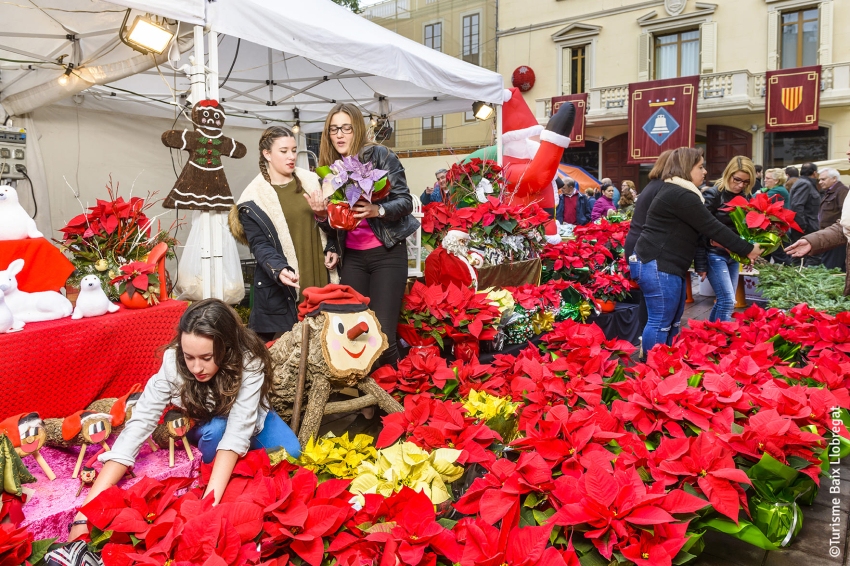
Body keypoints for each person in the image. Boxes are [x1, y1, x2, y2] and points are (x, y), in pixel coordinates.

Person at [69, 299, 301, 540]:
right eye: (189, 357)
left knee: (292, 454)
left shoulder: (249, 361)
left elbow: (239, 429)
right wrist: (85, 514)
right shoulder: (172, 364)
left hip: (249, 415)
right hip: (209, 421)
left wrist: (205, 509)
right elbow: (139, 425)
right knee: (216, 436)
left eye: (206, 357)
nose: (196, 368)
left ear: (227, 348)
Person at [313, 103, 419, 366]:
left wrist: (377, 209)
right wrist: (320, 216)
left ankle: (393, 402)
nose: (339, 134)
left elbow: (405, 202)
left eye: (346, 128)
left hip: (386, 255)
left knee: (383, 337)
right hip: (354, 262)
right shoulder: (330, 170)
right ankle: (368, 404)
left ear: (357, 129)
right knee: (358, 335)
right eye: (334, 129)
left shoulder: (380, 156)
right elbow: (335, 226)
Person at [631, 147, 760, 358]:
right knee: (661, 322)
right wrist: (748, 249)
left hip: (665, 264)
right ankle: (651, 367)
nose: (705, 172)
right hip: (658, 263)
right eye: (700, 166)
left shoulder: (680, 191)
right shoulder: (680, 194)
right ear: (686, 167)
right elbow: (712, 227)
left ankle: (663, 365)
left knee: (670, 321)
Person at [229, 126, 336, 342]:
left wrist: (330, 239)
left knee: (325, 348)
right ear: (267, 154)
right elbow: (260, 245)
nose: (291, 157)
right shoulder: (252, 199)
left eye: (294, 150)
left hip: (321, 278)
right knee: (288, 355)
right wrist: (278, 269)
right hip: (289, 286)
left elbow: (334, 225)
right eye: (284, 151)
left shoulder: (313, 182)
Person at [694, 156, 756, 322]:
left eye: (746, 182)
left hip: (734, 256)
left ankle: (712, 335)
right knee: (728, 300)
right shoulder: (713, 194)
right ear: (728, 173)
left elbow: (747, 230)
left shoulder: (746, 197)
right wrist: (700, 263)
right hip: (715, 254)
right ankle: (723, 339)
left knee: (726, 300)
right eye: (737, 179)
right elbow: (700, 230)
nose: (740, 185)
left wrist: (749, 251)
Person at [624, 149, 674, 337]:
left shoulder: (653, 185)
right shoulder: (662, 187)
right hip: (644, 247)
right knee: (652, 300)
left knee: (648, 298)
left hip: (637, 244)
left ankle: (646, 338)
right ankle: (648, 343)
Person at [816, 168, 848, 270]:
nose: (820, 182)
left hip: (836, 236)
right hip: (828, 235)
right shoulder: (830, 191)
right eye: (819, 180)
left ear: (834, 179)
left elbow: (845, 214)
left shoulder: (842, 191)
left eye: (823, 179)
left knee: (831, 267)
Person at [788, 163, 822, 251]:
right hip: (806, 228)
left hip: (807, 226)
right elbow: (797, 205)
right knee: (808, 256)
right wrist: (802, 226)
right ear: (815, 173)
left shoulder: (804, 183)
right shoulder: (805, 184)